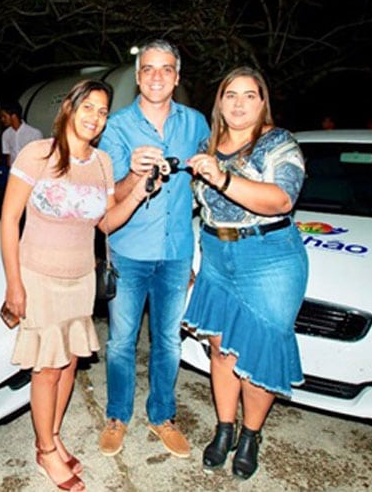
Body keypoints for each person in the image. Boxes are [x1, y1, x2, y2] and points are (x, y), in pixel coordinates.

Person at [0, 79, 160, 491]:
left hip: (81, 279)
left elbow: (104, 222)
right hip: (39, 276)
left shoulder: (102, 163)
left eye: (103, 111)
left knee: (69, 363)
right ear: (70, 108)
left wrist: (137, 193)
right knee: (46, 369)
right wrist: (14, 284)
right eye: (88, 106)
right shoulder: (38, 154)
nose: (95, 117)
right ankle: (44, 450)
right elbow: (9, 220)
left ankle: (52, 437)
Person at [182, 66, 308, 480]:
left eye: (249, 95)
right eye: (230, 95)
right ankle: (224, 428)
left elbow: (282, 199)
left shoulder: (278, 142)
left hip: (269, 257)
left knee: (258, 355)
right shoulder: (206, 146)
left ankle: (251, 435)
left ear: (262, 101)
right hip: (217, 255)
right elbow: (194, 206)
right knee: (221, 351)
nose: (238, 103)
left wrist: (222, 178)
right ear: (219, 102)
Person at [97, 39, 210, 458]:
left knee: (169, 341)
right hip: (128, 250)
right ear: (138, 76)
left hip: (176, 251)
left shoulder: (196, 123)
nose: (156, 76)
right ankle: (117, 416)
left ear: (177, 77)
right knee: (120, 342)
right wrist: (132, 172)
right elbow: (109, 195)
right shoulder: (116, 126)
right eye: (148, 69)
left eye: (166, 69)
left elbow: (208, 181)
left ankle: (162, 415)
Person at [0, 101, 44, 167]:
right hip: (14, 171)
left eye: (4, 116)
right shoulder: (6, 134)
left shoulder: (34, 134)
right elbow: (9, 157)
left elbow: (40, 157)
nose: (2, 119)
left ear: (13, 116)